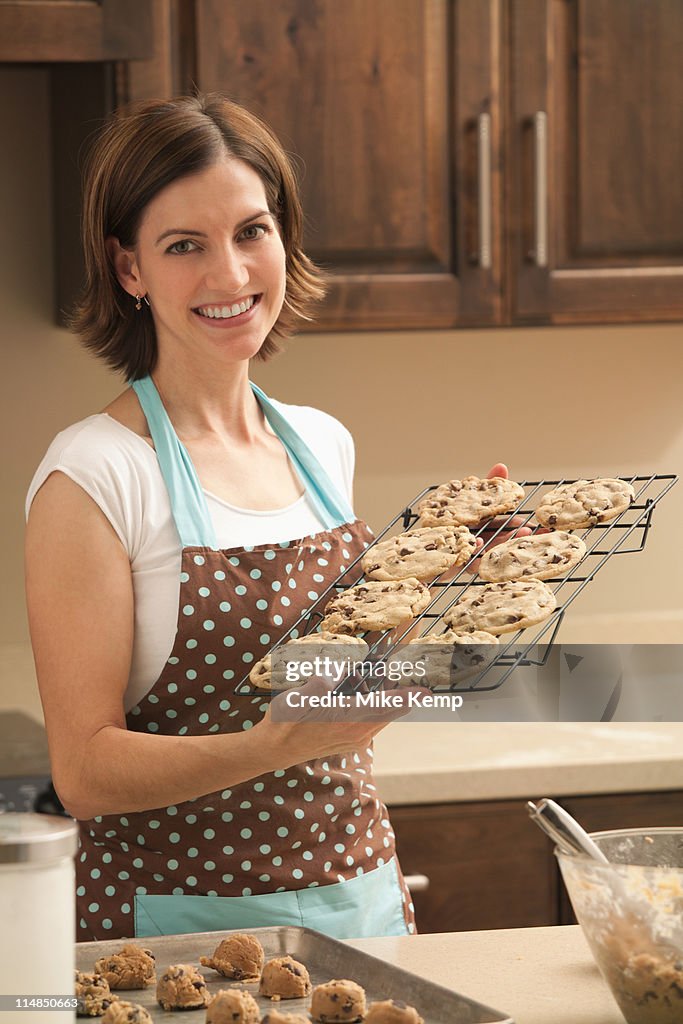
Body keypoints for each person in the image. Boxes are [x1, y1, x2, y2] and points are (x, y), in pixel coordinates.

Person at [25, 94, 515, 942]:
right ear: (128, 269)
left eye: (252, 231)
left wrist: (457, 600)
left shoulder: (323, 445)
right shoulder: (95, 475)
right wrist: (270, 745)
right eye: (185, 246)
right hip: (172, 934)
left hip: (357, 895)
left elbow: (351, 691)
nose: (230, 274)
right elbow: (85, 773)